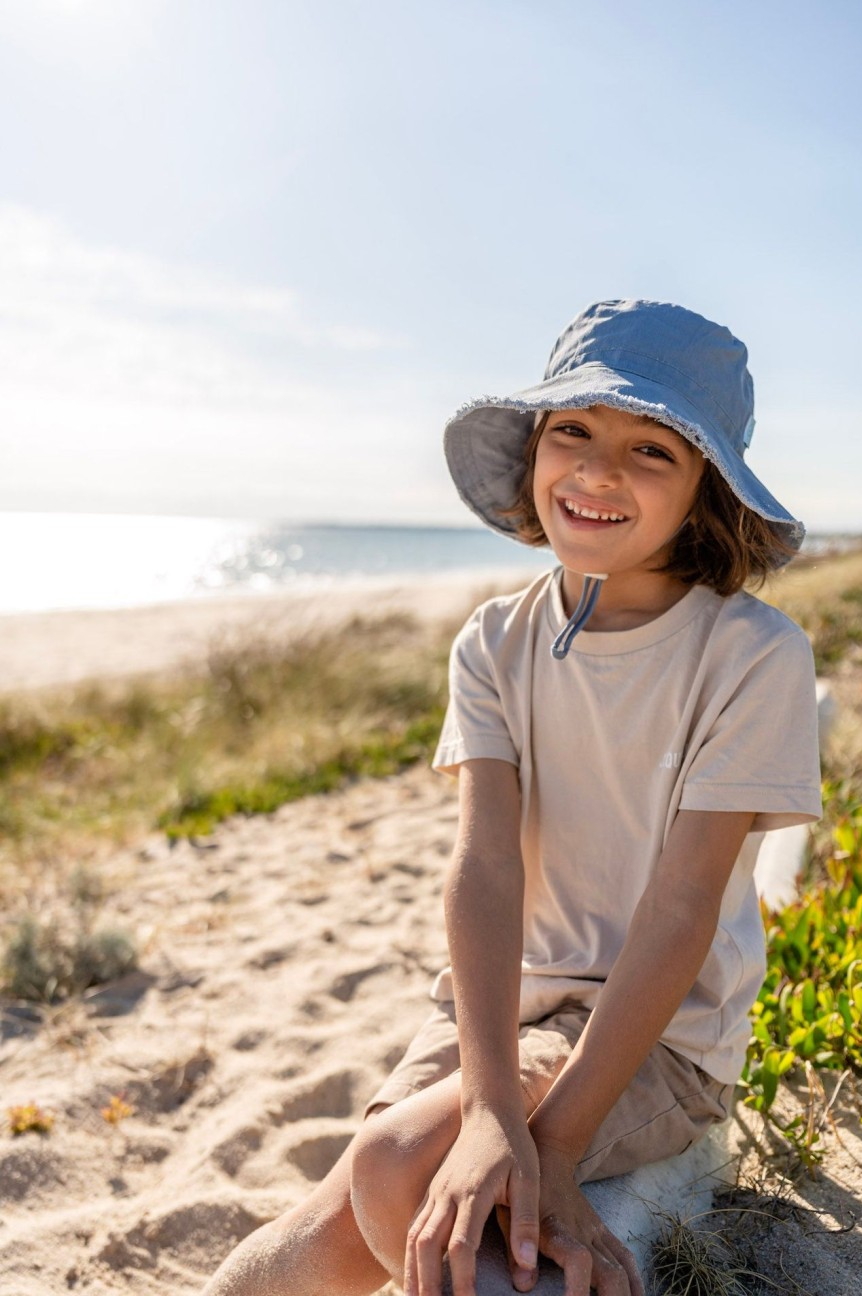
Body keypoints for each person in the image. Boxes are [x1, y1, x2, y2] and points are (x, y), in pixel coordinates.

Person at [202, 300, 822, 1296]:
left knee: (395, 1166)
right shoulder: (492, 641)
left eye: (652, 449)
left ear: (706, 486)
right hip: (495, 1004)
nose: (599, 469)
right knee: (347, 1210)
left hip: (658, 1035)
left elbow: (681, 904)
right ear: (535, 446)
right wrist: (492, 1104)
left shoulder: (754, 656)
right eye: (572, 429)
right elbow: (485, 866)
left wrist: (558, 1141)